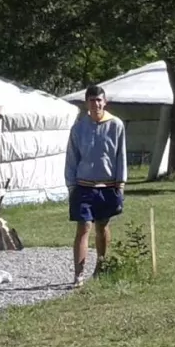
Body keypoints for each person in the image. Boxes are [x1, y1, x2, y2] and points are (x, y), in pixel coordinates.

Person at [65, 84, 127, 286]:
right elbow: (72, 157)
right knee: (83, 227)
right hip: (83, 185)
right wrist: (71, 185)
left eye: (99, 100)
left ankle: (101, 266)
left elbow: (121, 156)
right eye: (92, 100)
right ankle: (78, 274)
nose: (96, 104)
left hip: (108, 185)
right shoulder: (79, 127)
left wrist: (121, 183)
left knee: (102, 226)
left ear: (105, 102)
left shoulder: (116, 125)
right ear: (87, 103)